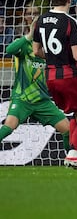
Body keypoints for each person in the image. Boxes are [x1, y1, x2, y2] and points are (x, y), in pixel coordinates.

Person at [32, 0, 77, 170]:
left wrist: (54, 56)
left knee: (76, 113)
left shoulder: (40, 20)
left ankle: (71, 154)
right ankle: (73, 155)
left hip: (50, 77)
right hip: (69, 76)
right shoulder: (70, 22)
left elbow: (36, 52)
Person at [0, 17, 71, 161]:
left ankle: (71, 159)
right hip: (22, 99)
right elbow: (9, 49)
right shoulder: (25, 46)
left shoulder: (52, 50)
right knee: (9, 125)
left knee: (68, 129)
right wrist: (29, 35)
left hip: (42, 101)